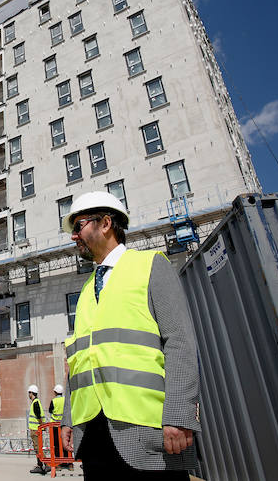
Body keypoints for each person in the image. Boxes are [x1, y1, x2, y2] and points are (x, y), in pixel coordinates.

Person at [60, 192, 200, 480]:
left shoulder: (151, 265)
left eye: (79, 226)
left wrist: (179, 415)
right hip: (95, 434)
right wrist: (69, 420)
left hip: (149, 430)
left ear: (106, 223)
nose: (74, 236)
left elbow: (180, 342)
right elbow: (79, 359)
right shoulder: (86, 289)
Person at [27, 384, 49, 475]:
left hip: (36, 430)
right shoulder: (36, 402)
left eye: (29, 393)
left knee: (38, 448)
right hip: (36, 429)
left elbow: (39, 416)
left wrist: (41, 426)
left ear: (31, 393)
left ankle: (47, 464)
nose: (28, 395)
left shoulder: (35, 403)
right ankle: (40, 465)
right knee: (37, 448)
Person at [48, 384, 68, 464]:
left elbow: (50, 411)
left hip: (55, 426)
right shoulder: (66, 400)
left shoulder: (54, 401)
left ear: (55, 392)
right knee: (65, 443)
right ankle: (68, 462)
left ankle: (58, 462)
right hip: (64, 424)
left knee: (56, 444)